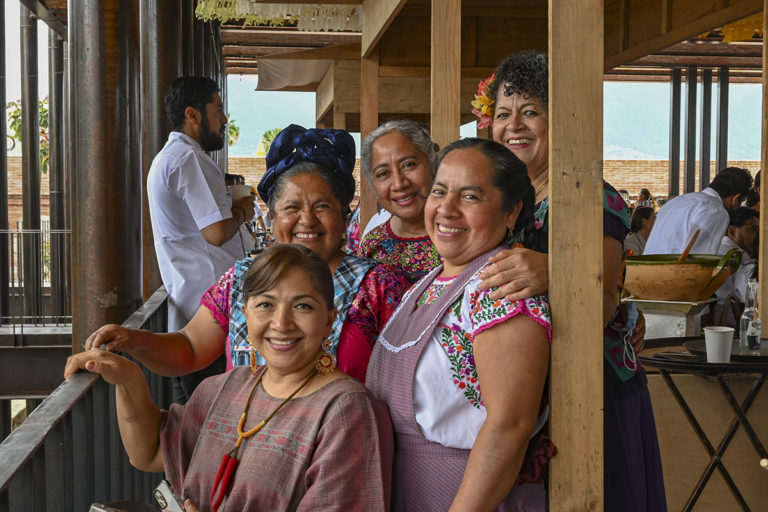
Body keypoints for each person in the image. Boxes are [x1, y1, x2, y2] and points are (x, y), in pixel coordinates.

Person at [65, 244, 393, 512]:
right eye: (265, 304)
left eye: (303, 307)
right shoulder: (226, 388)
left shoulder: (346, 411)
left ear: (329, 321)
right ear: (245, 313)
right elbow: (150, 453)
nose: (281, 322)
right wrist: (129, 379)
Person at [480, 50, 665, 511]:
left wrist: (554, 272)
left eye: (531, 112)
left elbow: (601, 301)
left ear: (559, 120)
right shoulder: (512, 199)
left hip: (592, 387)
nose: (514, 126)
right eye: (503, 114)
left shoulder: (587, 194)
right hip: (535, 386)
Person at [85, 124, 410, 384]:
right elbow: (191, 348)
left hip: (340, 452)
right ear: (271, 219)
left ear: (344, 216)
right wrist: (133, 341)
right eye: (291, 208)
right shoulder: (242, 278)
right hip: (245, 447)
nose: (307, 220)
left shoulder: (380, 287)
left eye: (322, 207)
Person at [367, 138, 553, 511]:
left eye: (469, 197)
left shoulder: (497, 289)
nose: (446, 209)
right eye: (440, 191)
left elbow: (509, 426)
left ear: (512, 212)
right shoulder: (432, 280)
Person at [147, 76, 256, 401]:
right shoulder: (188, 159)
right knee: (215, 417)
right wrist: (242, 212)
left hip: (194, 309)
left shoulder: (172, 158)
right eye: (218, 109)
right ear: (193, 115)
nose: (224, 119)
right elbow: (217, 233)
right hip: (209, 316)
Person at [358, 119, 441, 283]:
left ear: (432, 162)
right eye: (383, 174)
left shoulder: (463, 234)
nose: (399, 183)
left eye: (408, 165)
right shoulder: (373, 246)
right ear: (373, 185)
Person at [644, 167, 753, 255]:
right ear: (736, 199)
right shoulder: (716, 211)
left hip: (646, 277)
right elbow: (699, 264)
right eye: (741, 201)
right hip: (672, 279)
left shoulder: (676, 201)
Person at [714, 207, 759, 323]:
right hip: (726, 316)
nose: (757, 236)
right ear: (733, 231)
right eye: (752, 230)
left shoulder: (717, 247)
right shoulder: (737, 255)